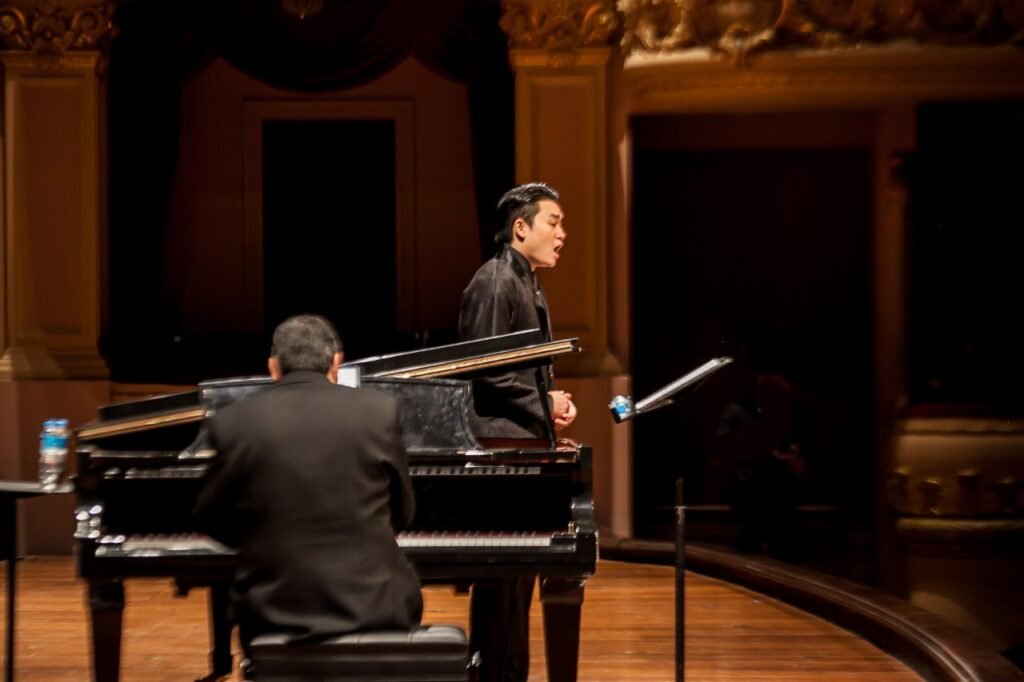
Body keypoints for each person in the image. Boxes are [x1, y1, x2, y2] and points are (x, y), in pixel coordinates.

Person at [193, 314, 423, 677]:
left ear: (273, 367)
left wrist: (262, 534)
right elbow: (403, 513)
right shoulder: (379, 411)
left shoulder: (233, 421)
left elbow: (210, 519)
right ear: (336, 363)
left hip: (273, 611)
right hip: (376, 605)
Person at [458, 182, 577, 682]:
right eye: (554, 222)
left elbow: (518, 373)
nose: (562, 234)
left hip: (520, 447)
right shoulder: (494, 281)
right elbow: (484, 371)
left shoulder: (525, 281)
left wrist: (550, 408)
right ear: (520, 228)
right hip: (499, 451)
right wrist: (544, 404)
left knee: (516, 586)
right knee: (502, 588)